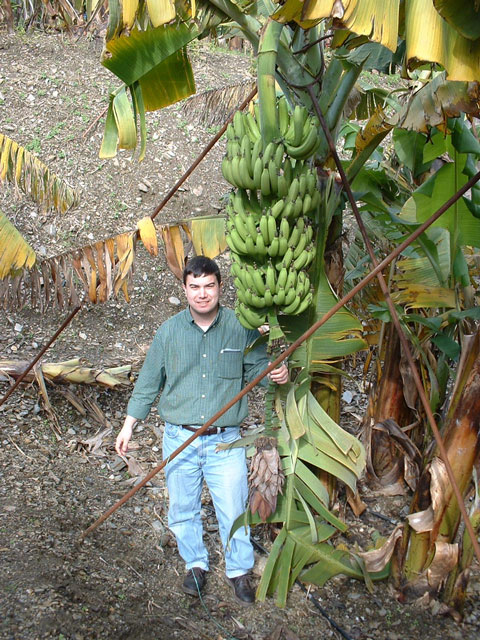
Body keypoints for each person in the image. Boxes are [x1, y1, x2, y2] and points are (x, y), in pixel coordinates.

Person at [115, 256, 288, 606]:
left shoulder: (240, 328)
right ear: (184, 290)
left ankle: (239, 571)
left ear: (220, 287)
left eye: (209, 285)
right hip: (181, 437)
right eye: (195, 287)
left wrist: (276, 373)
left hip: (225, 442)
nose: (202, 293)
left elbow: (258, 369)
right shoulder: (169, 332)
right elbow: (149, 382)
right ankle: (195, 564)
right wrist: (129, 425)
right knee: (182, 507)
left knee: (232, 507)